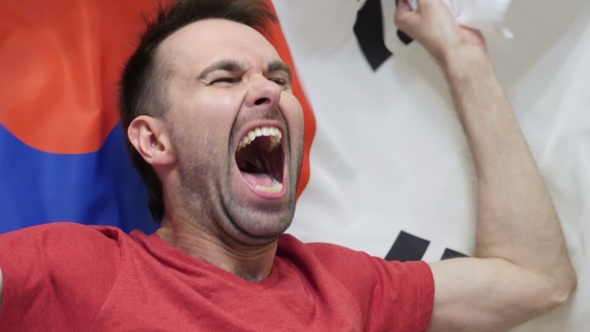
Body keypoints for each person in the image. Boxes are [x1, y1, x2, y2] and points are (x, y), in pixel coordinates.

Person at [0, 0, 577, 330]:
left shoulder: (344, 287)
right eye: (224, 77)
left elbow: (537, 279)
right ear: (153, 140)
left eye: (277, 78)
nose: (268, 91)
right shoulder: (85, 270)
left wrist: (462, 55)